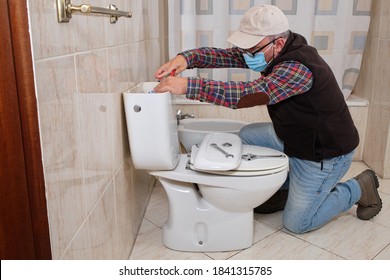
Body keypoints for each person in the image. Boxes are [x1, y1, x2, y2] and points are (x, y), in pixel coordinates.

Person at [153, 5, 382, 233]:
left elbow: (247, 94)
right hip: (294, 137)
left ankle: (358, 187)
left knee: (297, 223)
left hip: (324, 154)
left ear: (278, 43)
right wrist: (187, 58)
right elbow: (226, 55)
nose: (245, 56)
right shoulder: (270, 50)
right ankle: (288, 187)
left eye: (251, 50)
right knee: (246, 135)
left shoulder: (298, 68)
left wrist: (189, 86)